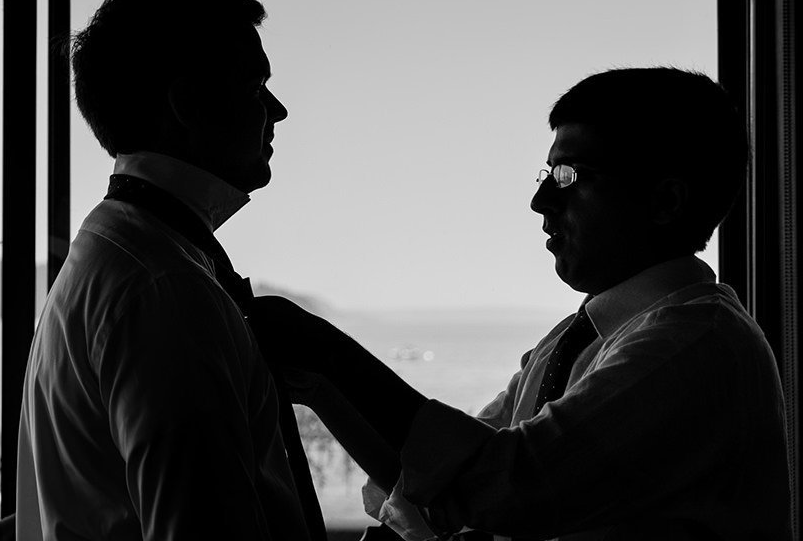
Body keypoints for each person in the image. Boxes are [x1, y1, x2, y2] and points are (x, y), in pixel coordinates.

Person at [251, 66, 792, 540]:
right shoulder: (574, 340)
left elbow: (510, 487)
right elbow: (444, 485)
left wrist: (330, 352)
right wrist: (321, 382)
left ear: (665, 201)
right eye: (545, 175)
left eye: (569, 177)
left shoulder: (691, 347)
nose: (540, 200)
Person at [15, 0, 323, 540]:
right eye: (255, 86)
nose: (277, 111)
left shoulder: (116, 251)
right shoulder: (164, 289)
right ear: (186, 104)